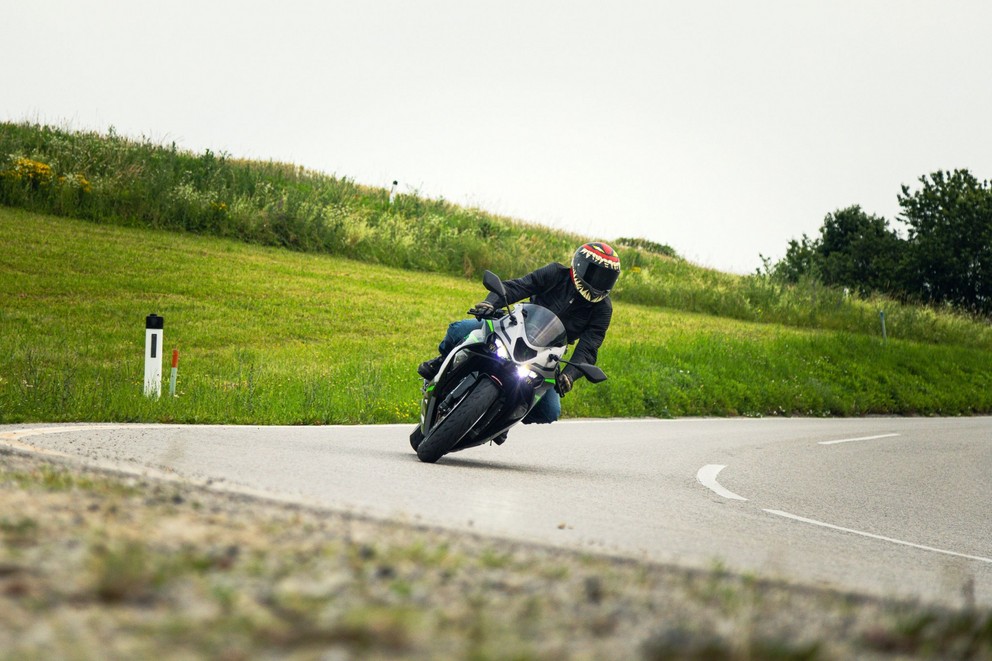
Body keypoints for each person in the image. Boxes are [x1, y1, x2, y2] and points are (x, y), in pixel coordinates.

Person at [417, 242, 620, 440]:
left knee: (550, 410)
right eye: (595, 274)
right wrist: (490, 303)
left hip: (548, 354)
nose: (599, 282)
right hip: (515, 326)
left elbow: (589, 347)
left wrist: (569, 375)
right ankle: (440, 364)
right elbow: (520, 286)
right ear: (579, 266)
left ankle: (501, 421)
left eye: (607, 278)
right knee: (458, 329)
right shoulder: (555, 273)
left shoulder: (603, 309)